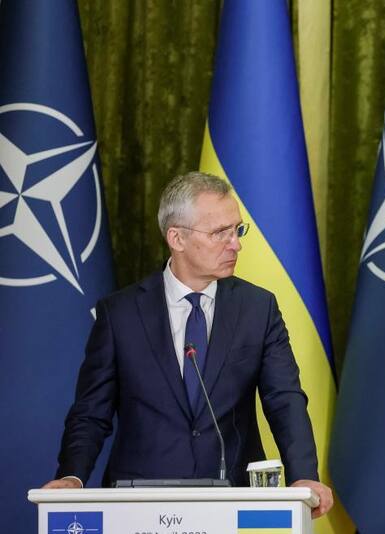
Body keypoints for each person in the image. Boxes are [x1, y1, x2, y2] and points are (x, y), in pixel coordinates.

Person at [42, 172, 333, 517]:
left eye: (237, 230)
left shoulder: (258, 308)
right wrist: (72, 476)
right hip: (138, 506)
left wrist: (303, 476)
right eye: (219, 233)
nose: (235, 244)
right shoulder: (120, 313)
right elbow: (91, 412)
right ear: (176, 238)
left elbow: (284, 399)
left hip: (234, 503)